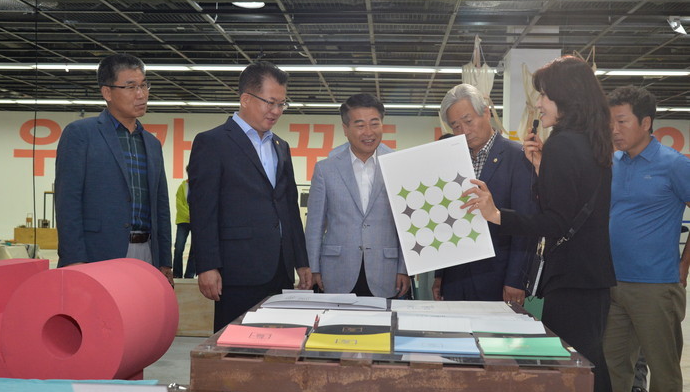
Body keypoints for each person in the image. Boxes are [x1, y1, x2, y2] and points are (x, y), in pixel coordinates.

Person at [463, 56, 616, 392]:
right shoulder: (592, 141)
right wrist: (541, 168)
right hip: (592, 275)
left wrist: (496, 215)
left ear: (566, 98)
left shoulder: (563, 144)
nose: (539, 104)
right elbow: (573, 205)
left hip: (570, 278)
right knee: (588, 362)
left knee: (574, 374)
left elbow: (555, 221)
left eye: (545, 95)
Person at [188, 61, 311, 332]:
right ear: (245, 99)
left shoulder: (280, 146)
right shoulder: (213, 142)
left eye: (282, 104)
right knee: (235, 345)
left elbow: (289, 208)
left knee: (278, 343)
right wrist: (207, 266)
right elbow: (203, 209)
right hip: (237, 271)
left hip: (280, 269)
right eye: (270, 103)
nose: (276, 111)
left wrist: (302, 261)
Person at [603, 85, 690, 392]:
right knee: (612, 367)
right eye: (610, 122)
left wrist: (683, 266)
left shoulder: (673, 164)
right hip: (613, 283)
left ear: (646, 123)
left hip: (656, 286)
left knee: (663, 371)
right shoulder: (613, 163)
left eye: (622, 121)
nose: (614, 130)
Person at [55, 53, 173, 286]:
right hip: (97, 254)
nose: (141, 94)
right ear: (107, 92)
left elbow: (161, 206)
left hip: (147, 253)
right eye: (130, 87)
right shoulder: (81, 134)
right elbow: (68, 202)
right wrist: (73, 259)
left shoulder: (152, 143)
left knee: (142, 309)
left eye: (144, 85)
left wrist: (165, 261)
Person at [431, 84, 537, 304]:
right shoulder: (450, 160)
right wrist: (440, 274)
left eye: (468, 121)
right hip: (455, 277)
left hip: (498, 278)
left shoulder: (518, 157)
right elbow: (445, 218)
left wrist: (516, 279)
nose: (464, 131)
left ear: (486, 112)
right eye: (455, 126)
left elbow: (526, 223)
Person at [305, 93, 410, 298]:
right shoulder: (325, 169)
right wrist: (314, 268)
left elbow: (407, 223)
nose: (368, 132)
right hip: (336, 271)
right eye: (360, 125)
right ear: (346, 129)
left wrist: (405, 268)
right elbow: (315, 225)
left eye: (374, 124)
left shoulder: (398, 165)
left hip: (387, 272)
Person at [173, 171, 195, 278]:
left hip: (196, 223)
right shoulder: (182, 187)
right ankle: (177, 274)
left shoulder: (200, 187)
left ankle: (189, 275)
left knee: (194, 250)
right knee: (179, 248)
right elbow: (179, 204)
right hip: (183, 222)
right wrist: (190, 215)